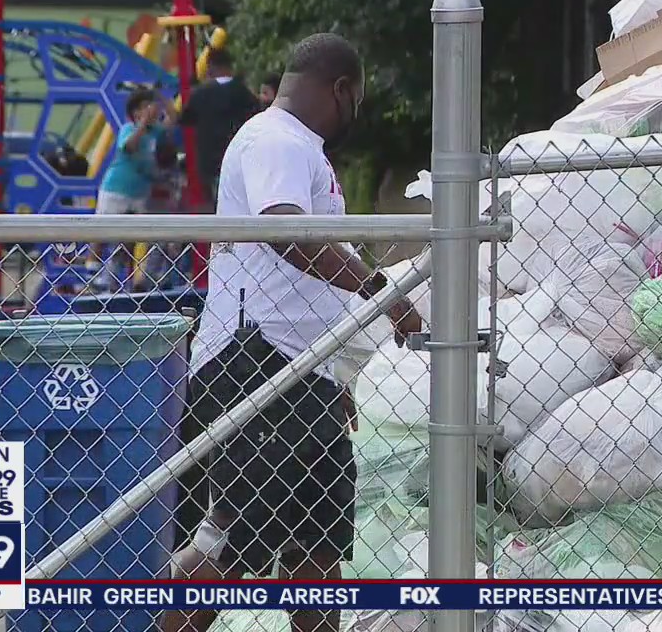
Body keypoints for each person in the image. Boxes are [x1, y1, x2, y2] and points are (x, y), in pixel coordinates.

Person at [163, 33, 421, 632]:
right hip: (252, 362)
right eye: (356, 102)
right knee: (232, 548)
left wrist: (336, 373)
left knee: (318, 544)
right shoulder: (274, 139)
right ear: (341, 90)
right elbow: (285, 231)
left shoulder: (300, 147)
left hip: (303, 371)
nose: (354, 115)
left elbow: (310, 267)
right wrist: (379, 291)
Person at [87, 87, 168, 290]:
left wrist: (161, 100)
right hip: (117, 189)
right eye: (145, 108)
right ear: (135, 113)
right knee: (103, 232)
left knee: (129, 239)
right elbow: (129, 146)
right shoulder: (129, 129)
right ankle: (93, 272)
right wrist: (141, 123)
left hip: (139, 193)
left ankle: (120, 280)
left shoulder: (155, 132)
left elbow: (172, 120)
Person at [179, 48, 262, 210]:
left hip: (209, 160)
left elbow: (185, 119)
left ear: (210, 67)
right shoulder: (243, 92)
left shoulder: (200, 94)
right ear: (230, 65)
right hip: (240, 156)